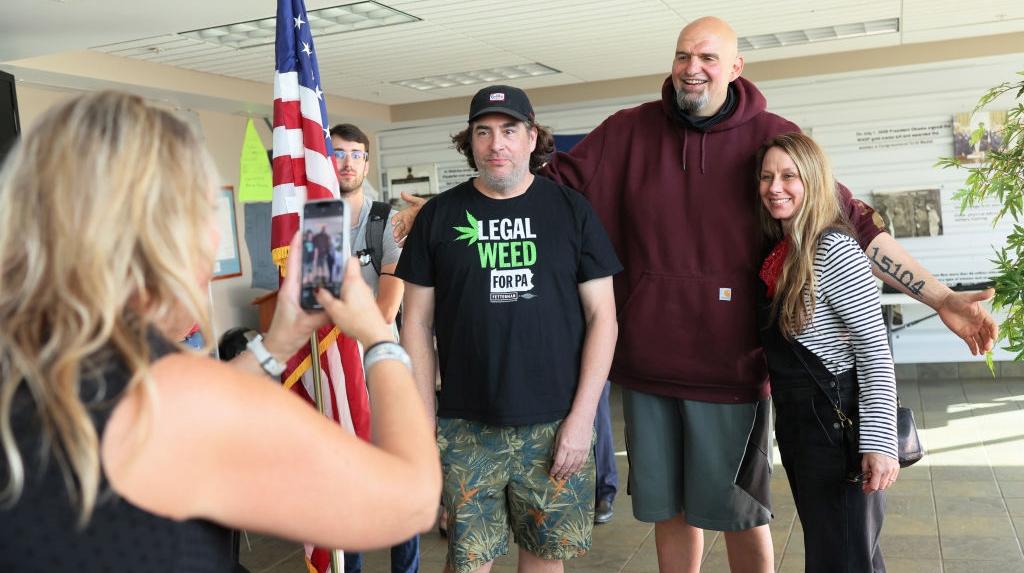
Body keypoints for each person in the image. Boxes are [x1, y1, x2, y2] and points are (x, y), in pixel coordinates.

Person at [392, 16, 997, 573]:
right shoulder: (627, 131)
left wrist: (941, 297)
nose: (692, 67)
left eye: (708, 56)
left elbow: (854, 221)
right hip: (649, 370)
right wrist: (448, 209)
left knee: (739, 516)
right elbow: (541, 188)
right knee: (667, 514)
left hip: (732, 372)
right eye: (683, 55)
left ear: (735, 68)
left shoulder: (771, 139)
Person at [0, 91, 440, 572]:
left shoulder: (27, 364)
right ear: (171, 234)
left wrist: (276, 345)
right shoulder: (168, 395)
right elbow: (410, 503)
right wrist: (379, 338)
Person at [396, 85, 621, 573]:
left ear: (531, 136)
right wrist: (422, 419)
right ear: (470, 142)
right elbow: (414, 321)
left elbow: (604, 318)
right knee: (468, 562)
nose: (496, 143)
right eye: (483, 131)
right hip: (464, 425)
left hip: (555, 424)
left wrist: (582, 421)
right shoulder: (438, 216)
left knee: (544, 562)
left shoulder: (572, 212)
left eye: (509, 130)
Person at [756, 132, 898, 572]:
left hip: (839, 432)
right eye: (766, 177)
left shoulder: (834, 249)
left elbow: (874, 351)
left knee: (843, 559)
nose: (774, 187)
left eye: (788, 176)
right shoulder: (782, 251)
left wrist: (879, 444)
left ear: (813, 181)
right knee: (838, 553)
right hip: (803, 429)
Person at [328, 122, 414, 573]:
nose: (346, 162)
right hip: (332, 375)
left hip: (379, 371)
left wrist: (336, 321)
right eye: (337, 152)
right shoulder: (310, 221)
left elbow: (385, 309)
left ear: (366, 161)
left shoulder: (386, 220)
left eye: (356, 154)